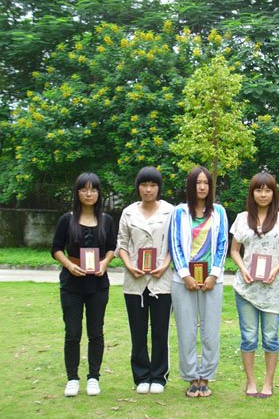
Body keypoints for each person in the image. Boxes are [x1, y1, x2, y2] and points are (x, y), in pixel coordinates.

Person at [230, 172, 279, 399]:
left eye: (268, 190)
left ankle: (268, 382)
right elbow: (234, 250)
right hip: (246, 288)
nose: (263, 194)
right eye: (259, 190)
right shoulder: (241, 218)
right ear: (252, 193)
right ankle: (250, 381)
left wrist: (276, 269)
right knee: (248, 337)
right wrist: (243, 269)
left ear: (274, 193)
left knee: (270, 337)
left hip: (272, 289)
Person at [51, 173, 117, 397]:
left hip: (98, 284)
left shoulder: (106, 220)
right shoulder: (67, 219)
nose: (89, 194)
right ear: (77, 192)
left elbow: (112, 247)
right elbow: (56, 248)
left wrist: (105, 263)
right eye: (84, 189)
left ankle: (93, 378)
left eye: (93, 189)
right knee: (72, 332)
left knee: (96, 332)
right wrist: (70, 266)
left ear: (99, 193)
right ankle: (72, 378)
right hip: (72, 284)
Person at [168, 166, 228, 398]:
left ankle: (206, 377)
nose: (202, 187)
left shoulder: (219, 212)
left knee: (210, 331)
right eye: (197, 183)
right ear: (190, 186)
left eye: (206, 183)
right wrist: (186, 275)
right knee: (187, 331)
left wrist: (214, 275)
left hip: (212, 280)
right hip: (184, 281)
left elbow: (222, 244)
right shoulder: (179, 212)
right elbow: (174, 244)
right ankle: (192, 377)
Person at [116, 167, 174, 394]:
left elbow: (175, 243)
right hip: (135, 281)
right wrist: (129, 266)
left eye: (153, 185)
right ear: (138, 187)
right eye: (144, 185)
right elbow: (121, 244)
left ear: (159, 188)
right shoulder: (128, 212)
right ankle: (141, 376)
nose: (148, 190)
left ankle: (158, 376)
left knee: (160, 330)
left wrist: (165, 265)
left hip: (161, 280)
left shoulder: (170, 211)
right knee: (138, 331)